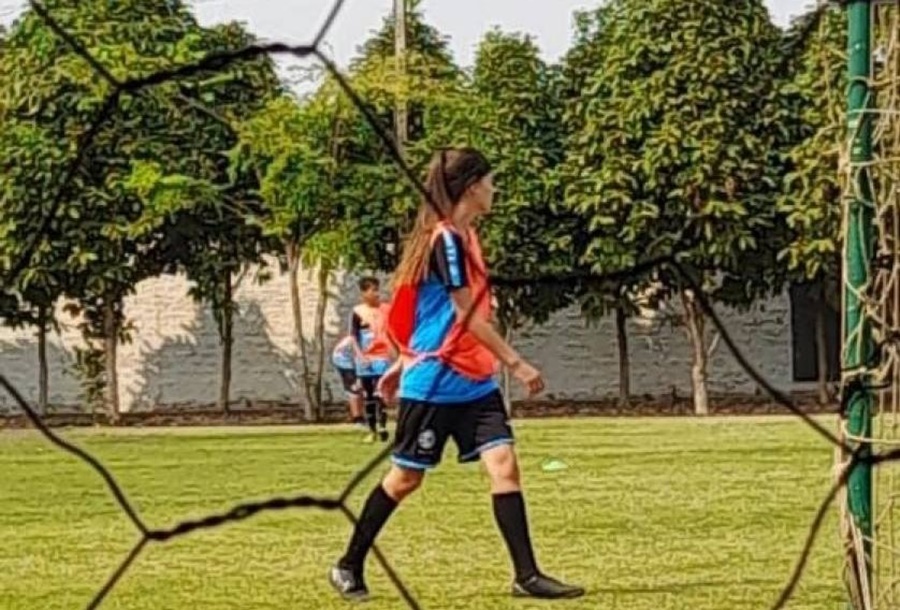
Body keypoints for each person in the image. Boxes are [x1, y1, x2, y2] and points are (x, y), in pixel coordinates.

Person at [328, 147, 584, 600]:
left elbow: (434, 314)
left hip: (474, 380)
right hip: (435, 383)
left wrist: (398, 362)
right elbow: (461, 316)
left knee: (504, 466)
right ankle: (348, 564)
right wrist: (516, 362)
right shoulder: (444, 240)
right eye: (490, 181)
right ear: (471, 187)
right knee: (406, 479)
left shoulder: (467, 239)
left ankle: (527, 576)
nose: (494, 189)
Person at [349, 276, 394, 443]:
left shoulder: (386, 310)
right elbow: (353, 336)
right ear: (364, 293)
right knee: (367, 395)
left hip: (382, 357)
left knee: (380, 392)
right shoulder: (358, 312)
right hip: (365, 359)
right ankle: (372, 430)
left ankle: (382, 426)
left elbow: (393, 332)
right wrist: (360, 356)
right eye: (373, 290)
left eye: (377, 290)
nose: (377, 294)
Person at [330, 335, 366, 428]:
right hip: (344, 361)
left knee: (359, 388)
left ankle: (360, 417)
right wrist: (362, 358)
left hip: (349, 360)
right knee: (354, 388)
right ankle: (357, 419)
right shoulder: (352, 338)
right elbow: (352, 340)